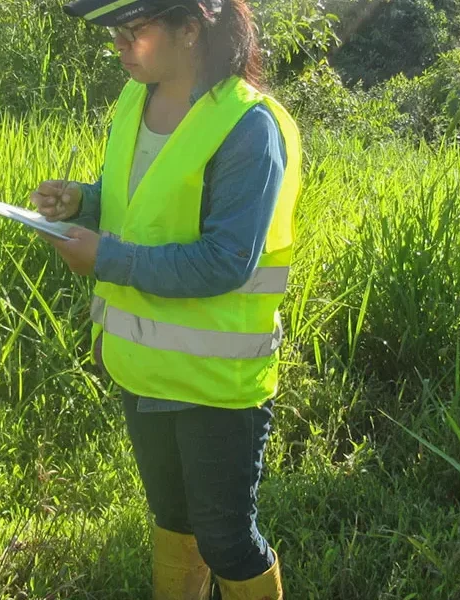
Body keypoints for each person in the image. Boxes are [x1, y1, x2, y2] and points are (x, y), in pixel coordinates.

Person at [28, 1, 301, 598]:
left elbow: (226, 260)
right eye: (117, 35)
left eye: (134, 32)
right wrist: (84, 201)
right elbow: (147, 203)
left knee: (225, 536)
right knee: (172, 519)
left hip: (216, 384)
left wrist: (104, 258)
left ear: (189, 29)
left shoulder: (248, 128)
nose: (121, 47)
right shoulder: (136, 100)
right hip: (144, 365)